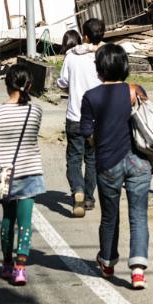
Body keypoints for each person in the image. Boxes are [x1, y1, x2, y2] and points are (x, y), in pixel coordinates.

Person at [80, 43, 151, 290]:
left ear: (99, 68)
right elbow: (147, 124)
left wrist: (101, 137)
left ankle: (108, 261)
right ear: (124, 66)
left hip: (107, 163)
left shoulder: (90, 97)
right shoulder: (135, 91)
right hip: (139, 162)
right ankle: (138, 270)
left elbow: (87, 133)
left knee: (110, 216)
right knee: (139, 215)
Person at [0, 65, 44, 286]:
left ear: (6, 85)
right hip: (30, 172)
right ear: (29, 86)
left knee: (7, 219)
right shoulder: (36, 111)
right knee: (25, 222)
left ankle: (6, 264)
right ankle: (21, 268)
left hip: (3, 175)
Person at [56, 18, 105, 217]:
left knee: (74, 159)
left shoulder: (71, 57)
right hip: (97, 119)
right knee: (92, 159)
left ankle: (77, 190)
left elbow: (63, 82)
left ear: (84, 36)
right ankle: (89, 198)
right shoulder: (103, 56)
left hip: (75, 116)